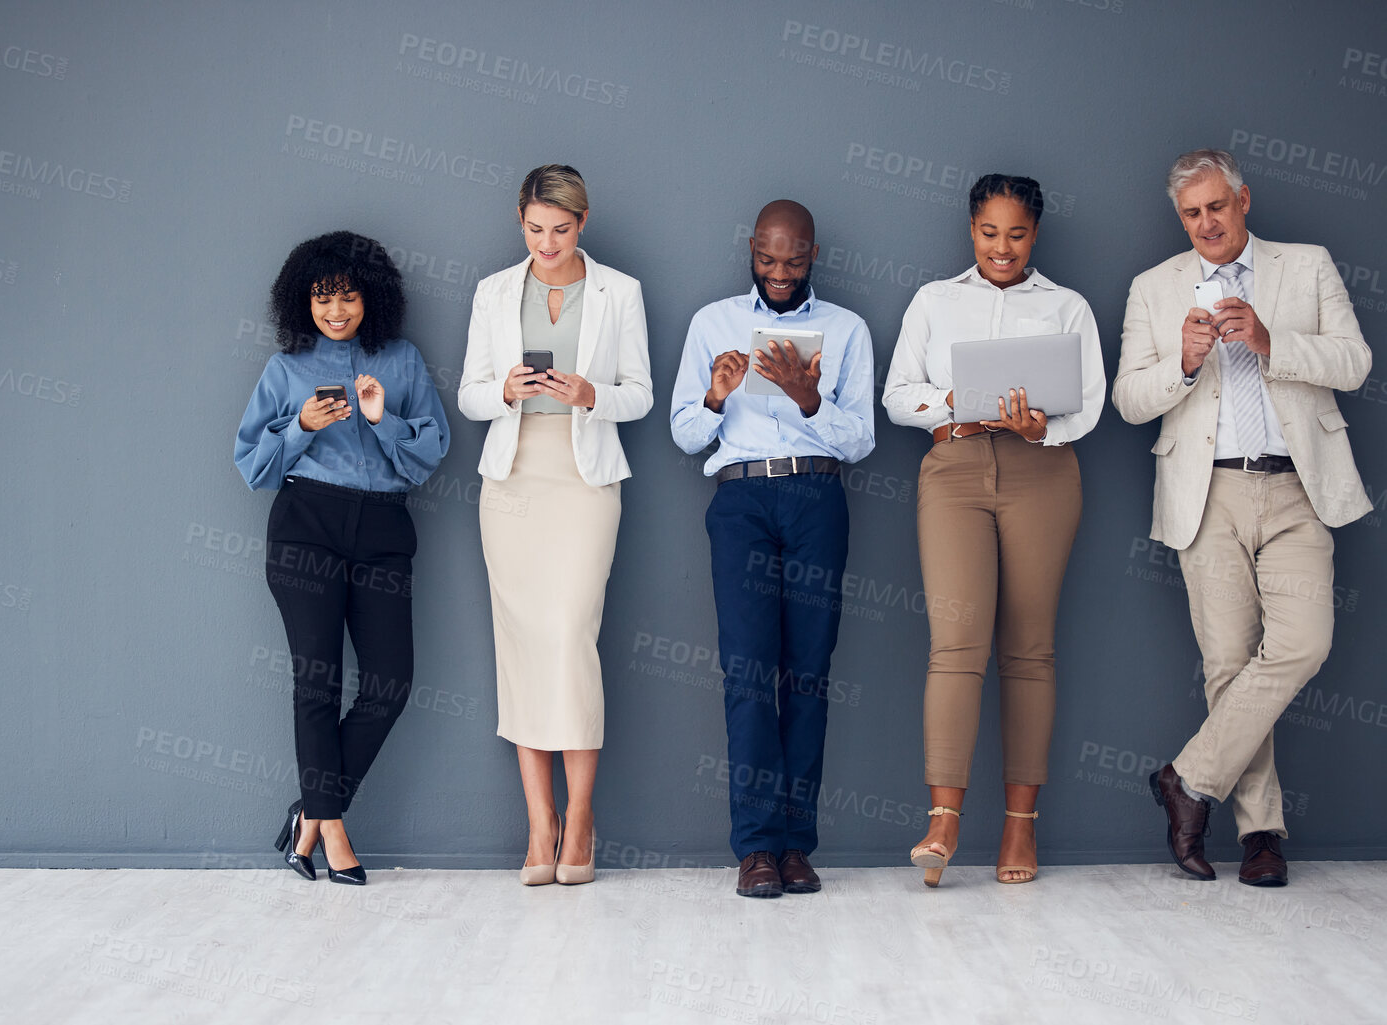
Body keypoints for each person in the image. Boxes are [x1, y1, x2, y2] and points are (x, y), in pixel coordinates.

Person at [1115, 149, 1371, 887]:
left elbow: (1355, 362)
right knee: (1228, 665)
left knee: (1304, 642)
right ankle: (1262, 834)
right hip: (1208, 493)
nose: (1206, 224)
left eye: (1216, 207)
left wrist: (1269, 342)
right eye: (1192, 214)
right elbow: (1130, 399)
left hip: (1297, 486)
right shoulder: (1153, 287)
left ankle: (1188, 779)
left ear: (1243, 200)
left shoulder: (1306, 265)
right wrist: (1185, 365)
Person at [882, 174, 1106, 887]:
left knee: (1029, 650)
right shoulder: (934, 301)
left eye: (1016, 234)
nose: (1001, 248)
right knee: (955, 645)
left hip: (1042, 471)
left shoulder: (1067, 306)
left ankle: (1020, 829)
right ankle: (943, 821)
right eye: (989, 232)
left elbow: (1091, 405)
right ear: (970, 230)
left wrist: (1045, 426)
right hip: (953, 468)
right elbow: (896, 395)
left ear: (1034, 234)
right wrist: (952, 401)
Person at [669, 199, 875, 898]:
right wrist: (718, 397)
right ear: (751, 248)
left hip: (817, 497)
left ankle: (796, 846)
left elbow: (864, 440)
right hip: (742, 500)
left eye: (793, 259)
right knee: (748, 672)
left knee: (809, 671)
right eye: (767, 257)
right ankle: (756, 846)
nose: (778, 272)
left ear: (813, 252)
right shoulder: (711, 323)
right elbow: (685, 434)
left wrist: (809, 398)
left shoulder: (846, 330)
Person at [234, 230, 451, 886]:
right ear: (302, 301)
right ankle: (335, 832)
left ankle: (312, 814)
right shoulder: (285, 369)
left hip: (384, 526)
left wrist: (382, 419)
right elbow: (251, 465)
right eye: (322, 297)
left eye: (348, 296)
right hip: (307, 524)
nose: (335, 310)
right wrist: (300, 427)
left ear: (370, 298)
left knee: (390, 681)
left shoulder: (402, 360)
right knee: (316, 682)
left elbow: (432, 449)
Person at [459, 164, 653, 886]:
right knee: (522, 647)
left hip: (583, 480)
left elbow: (641, 395)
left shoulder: (619, 291)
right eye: (536, 229)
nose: (548, 243)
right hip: (512, 480)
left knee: (571, 636)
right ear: (520, 220)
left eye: (562, 230)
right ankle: (540, 825)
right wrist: (505, 388)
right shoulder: (492, 292)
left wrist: (590, 391)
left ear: (584, 221)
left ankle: (583, 817)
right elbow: (470, 394)